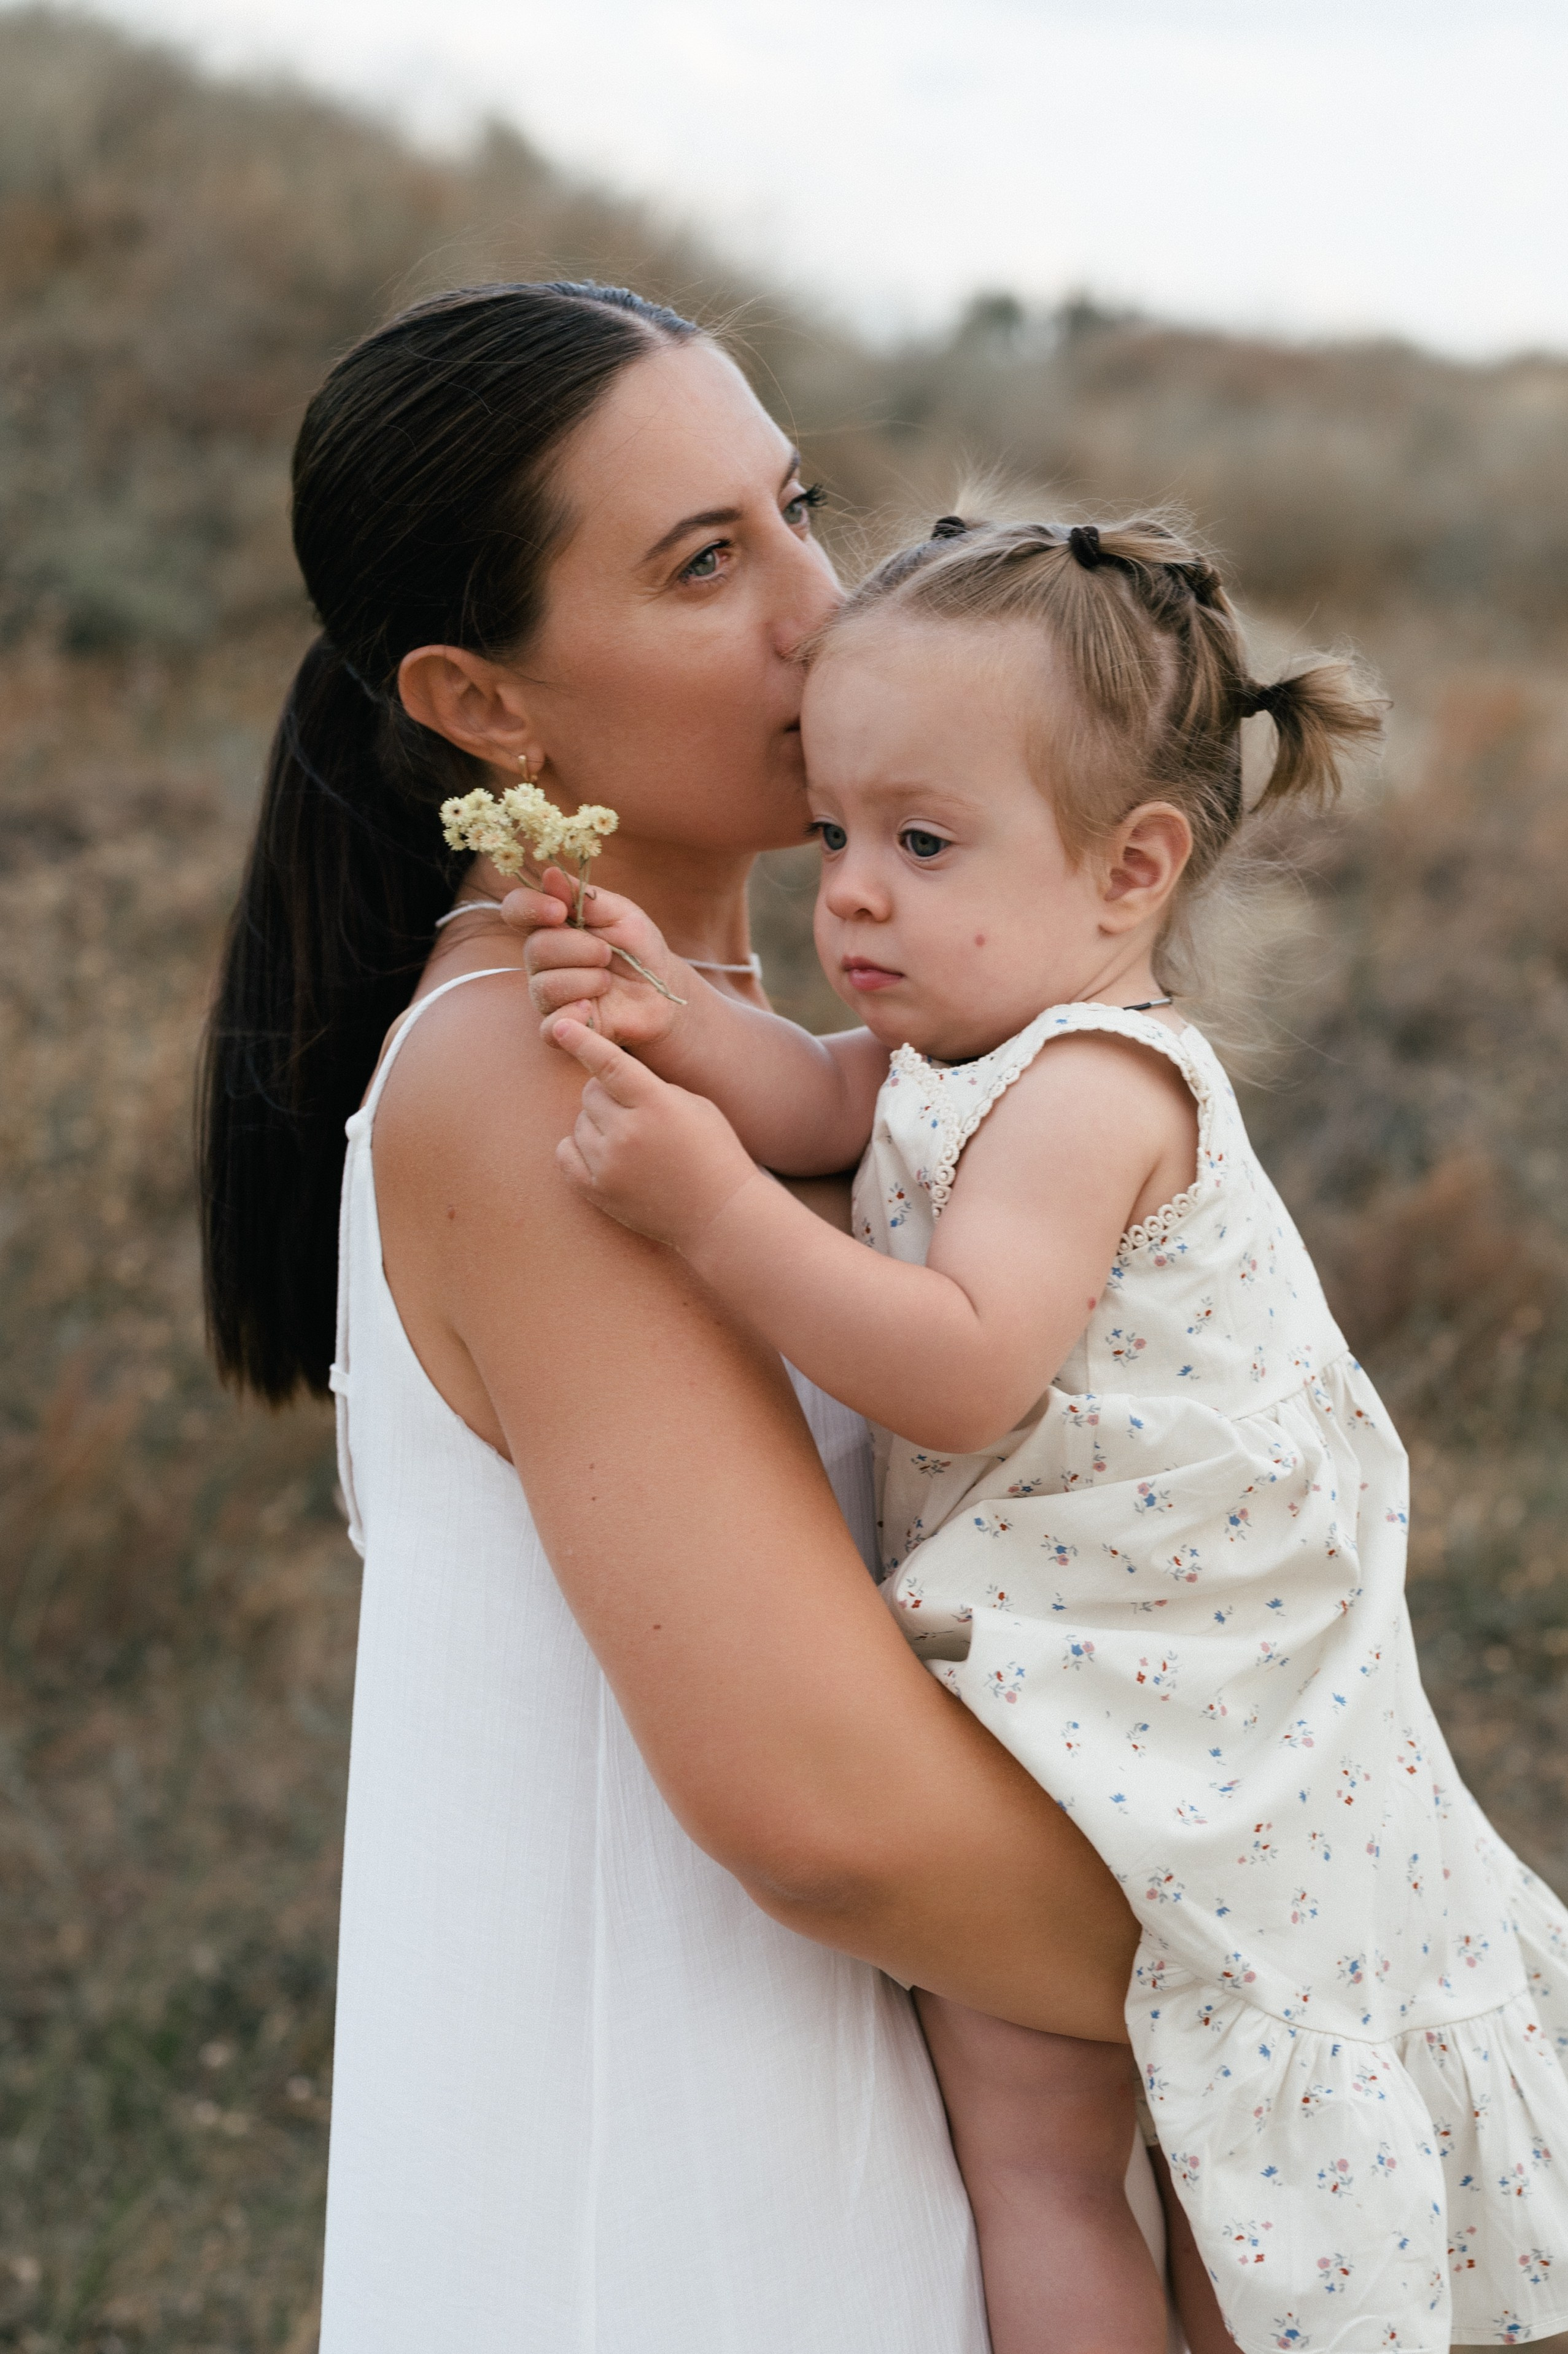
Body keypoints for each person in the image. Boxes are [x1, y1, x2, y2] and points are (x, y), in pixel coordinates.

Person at [198, 286, 1178, 2352]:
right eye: (704, 564)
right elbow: (817, 1803)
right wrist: (1318, 1955)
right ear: (484, 703)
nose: (823, 612)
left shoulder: (760, 1057)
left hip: (900, 2151)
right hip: (702, 2210)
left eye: (797, 506)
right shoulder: (552, 1077)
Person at [516, 511, 1568, 2354]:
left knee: (1244, 2166)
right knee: (1034, 2150)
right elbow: (828, 1101)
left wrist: (707, 1213)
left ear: (1130, 869)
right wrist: (670, 1010)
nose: (847, 890)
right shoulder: (960, 1040)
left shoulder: (1094, 1084)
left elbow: (962, 1365)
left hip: (1204, 1692)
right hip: (1071, 1682)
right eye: (833, 829)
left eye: (920, 843)